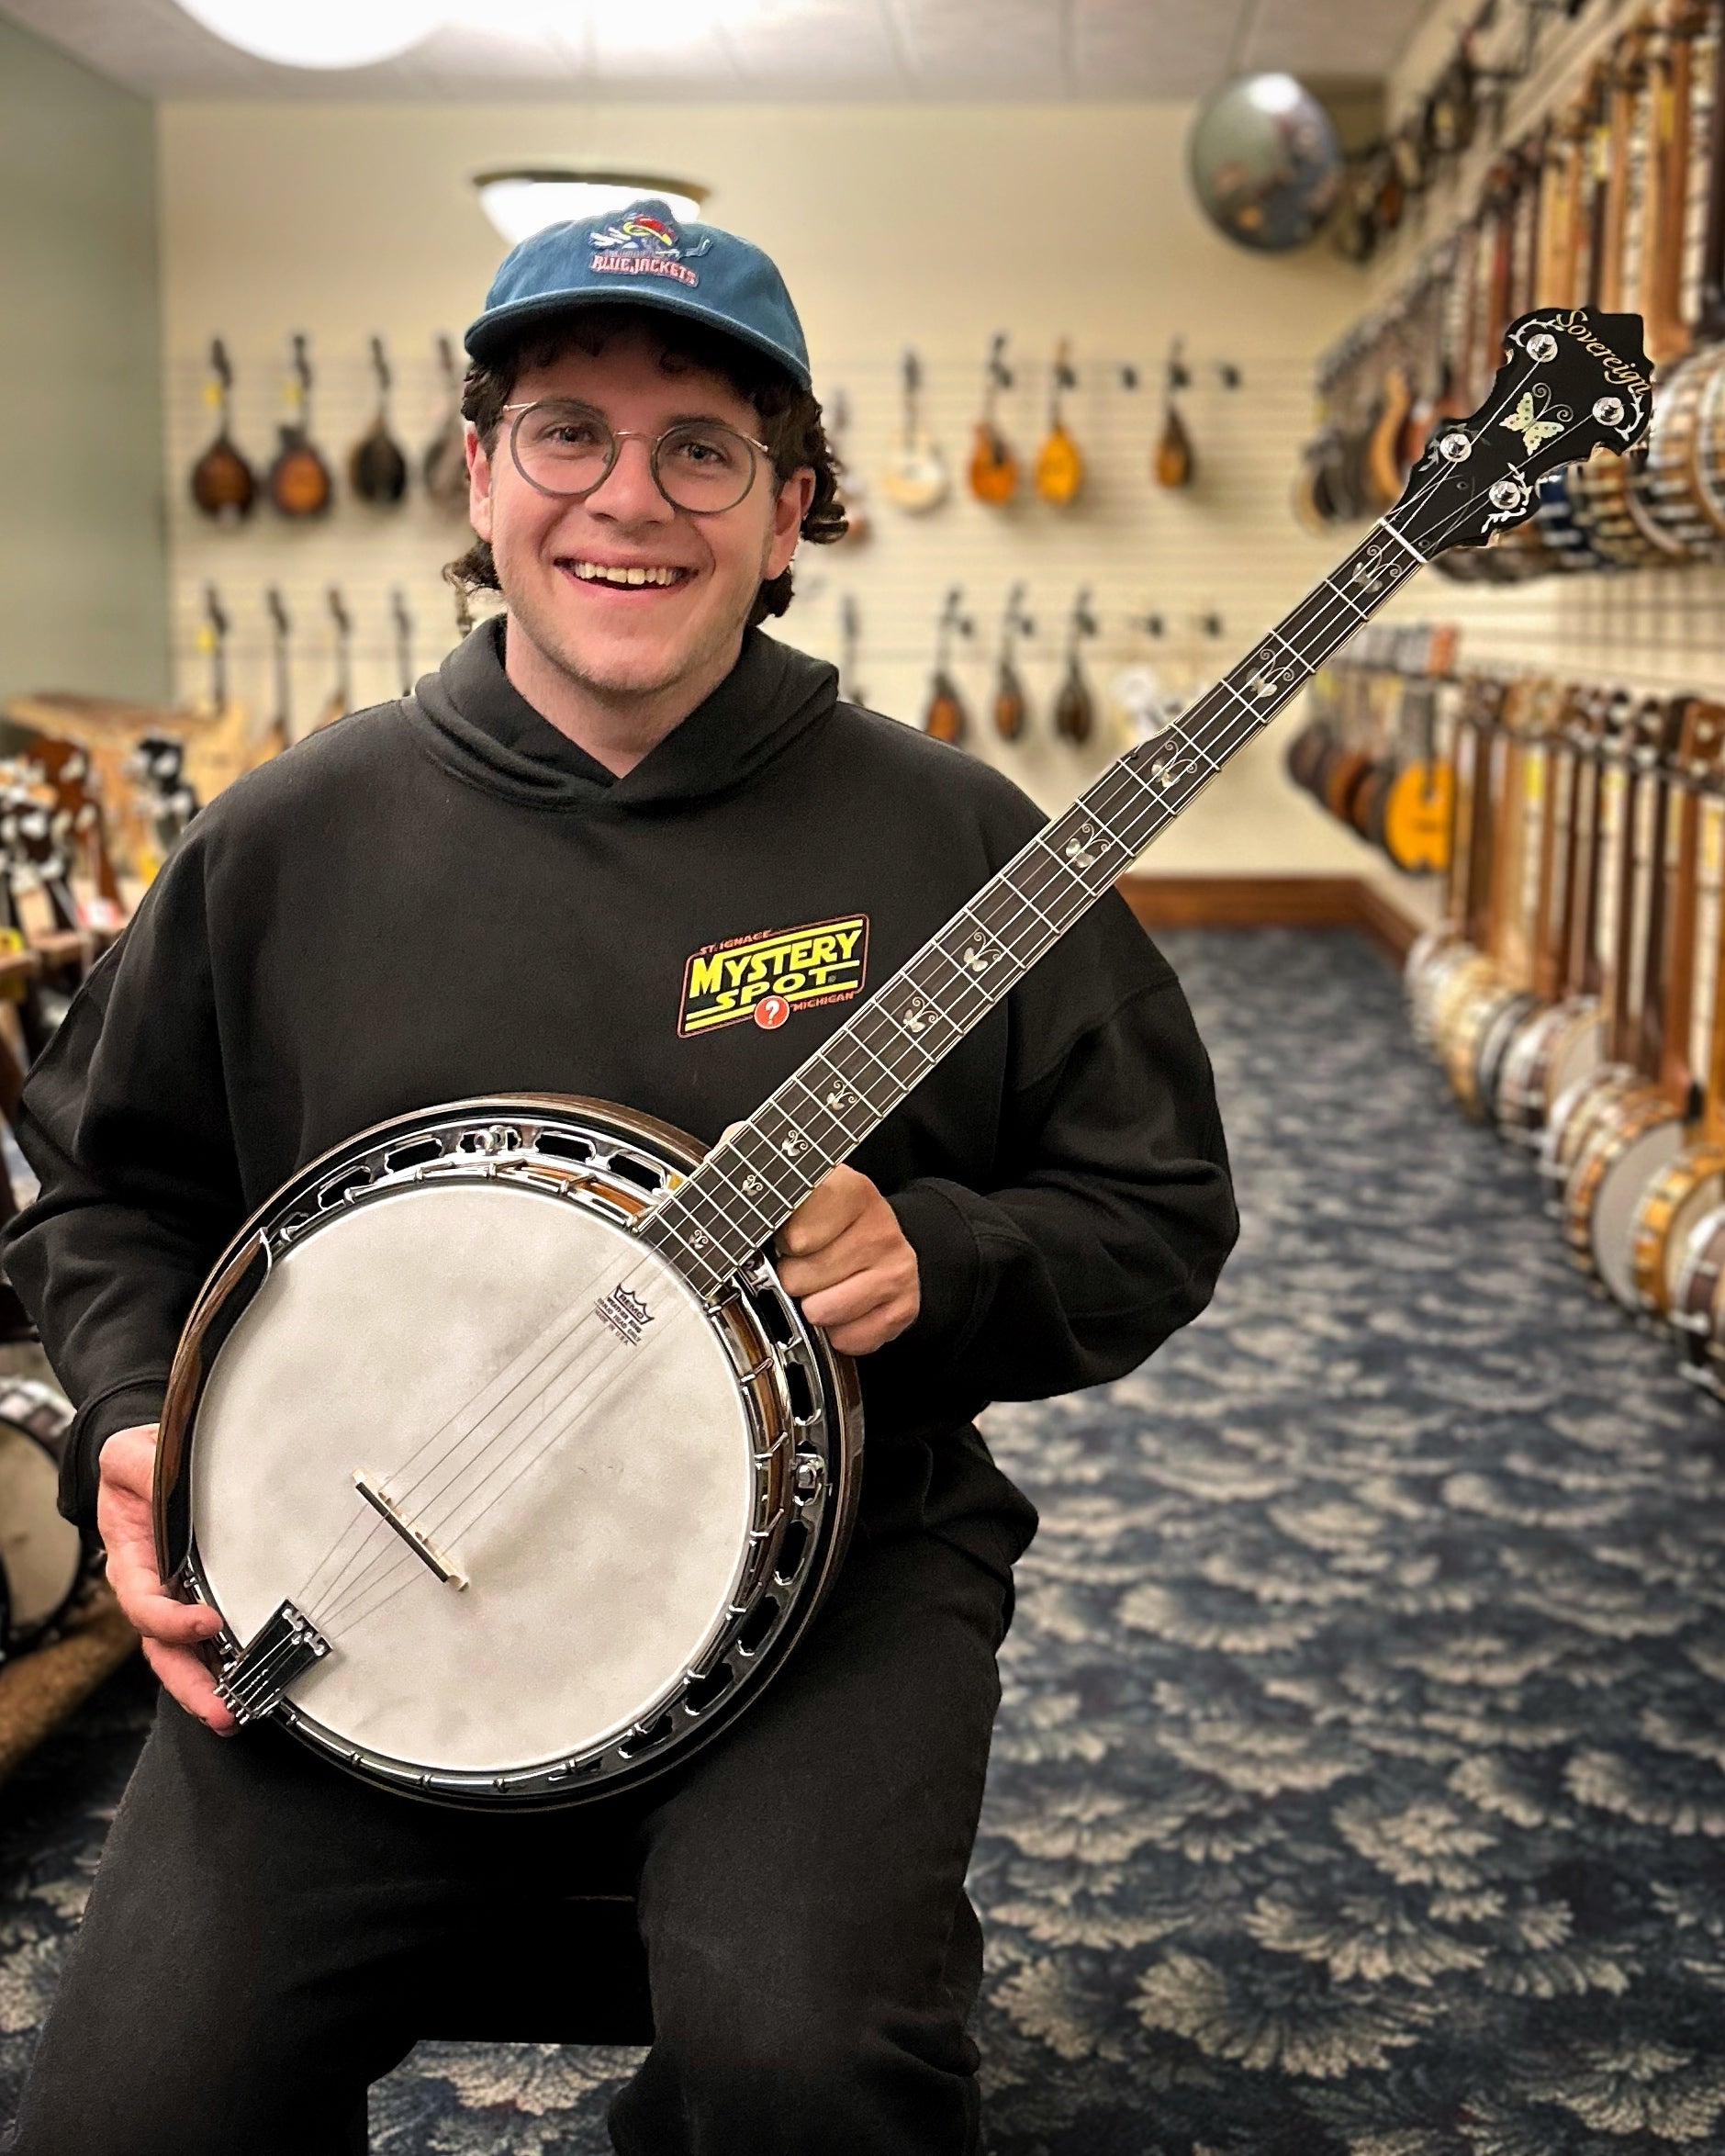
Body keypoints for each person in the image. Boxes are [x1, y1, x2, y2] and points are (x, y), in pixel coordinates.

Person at [1, 202, 1237, 2156]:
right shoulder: (289, 835)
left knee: (812, 2074)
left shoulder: (952, 838)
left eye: (702, 451)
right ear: (482, 475)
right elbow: (93, 1189)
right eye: (567, 429)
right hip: (352, 1568)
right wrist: (144, 1414)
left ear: (791, 508)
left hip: (825, 1594)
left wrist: (944, 1255)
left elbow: (1156, 1203)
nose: (627, 500)